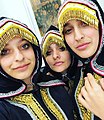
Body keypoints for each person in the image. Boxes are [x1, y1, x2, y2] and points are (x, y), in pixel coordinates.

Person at [0, 17, 75, 120]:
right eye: (4, 52)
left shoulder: (54, 86)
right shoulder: (3, 108)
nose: (20, 57)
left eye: (25, 46)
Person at [58, 0, 104, 119]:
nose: (78, 36)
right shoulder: (80, 70)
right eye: (68, 30)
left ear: (101, 24)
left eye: (84, 23)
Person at [41, 25, 80, 120]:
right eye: (48, 53)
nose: (55, 56)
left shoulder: (87, 75)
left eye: (62, 49)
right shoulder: (41, 86)